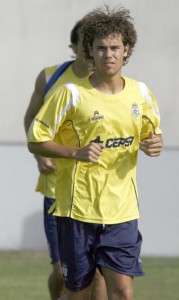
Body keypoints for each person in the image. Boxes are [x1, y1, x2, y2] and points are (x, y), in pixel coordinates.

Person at [27, 6, 163, 299]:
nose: (109, 54)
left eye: (115, 47)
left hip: (122, 212)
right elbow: (35, 140)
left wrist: (155, 144)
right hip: (77, 212)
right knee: (79, 293)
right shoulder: (71, 94)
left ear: (127, 49)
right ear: (89, 50)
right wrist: (76, 152)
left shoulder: (141, 93)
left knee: (123, 293)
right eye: (101, 48)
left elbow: (151, 136)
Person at [24, 20, 107, 300]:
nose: (88, 49)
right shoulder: (51, 77)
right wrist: (39, 156)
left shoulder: (107, 84)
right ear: (73, 46)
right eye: (83, 41)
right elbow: (32, 120)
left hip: (96, 193)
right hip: (57, 190)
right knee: (62, 272)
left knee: (96, 274)